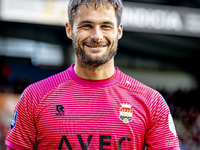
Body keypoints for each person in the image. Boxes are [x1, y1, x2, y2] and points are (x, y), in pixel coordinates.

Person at [5, 0, 180, 149]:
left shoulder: (152, 102)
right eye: (87, 25)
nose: (97, 36)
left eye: (106, 26)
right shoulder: (34, 97)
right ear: (69, 29)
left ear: (119, 31)